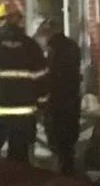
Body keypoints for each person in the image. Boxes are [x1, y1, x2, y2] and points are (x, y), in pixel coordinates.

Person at [0, 3, 48, 162]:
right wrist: (40, 104)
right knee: (19, 162)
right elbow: (43, 79)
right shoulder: (31, 46)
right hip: (23, 118)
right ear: (17, 21)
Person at [34, 17, 81, 175]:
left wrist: (42, 99)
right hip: (72, 98)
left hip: (55, 100)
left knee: (56, 135)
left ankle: (62, 172)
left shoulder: (51, 49)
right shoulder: (72, 46)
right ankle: (68, 167)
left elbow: (49, 75)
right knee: (69, 135)